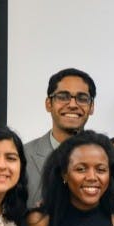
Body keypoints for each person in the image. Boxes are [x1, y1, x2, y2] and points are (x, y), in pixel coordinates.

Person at [24, 68, 97, 208]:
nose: (72, 105)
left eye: (82, 98)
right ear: (48, 104)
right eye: (63, 97)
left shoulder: (105, 159)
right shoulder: (23, 156)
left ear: (92, 107)